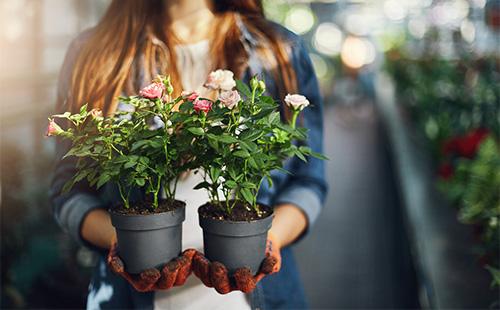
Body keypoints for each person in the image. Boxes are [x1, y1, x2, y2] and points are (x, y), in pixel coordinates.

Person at [50, 0, 327, 309]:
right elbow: (68, 191)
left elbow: (308, 183)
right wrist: (122, 242)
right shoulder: (95, 52)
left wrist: (267, 242)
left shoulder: (278, 52)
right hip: (126, 300)